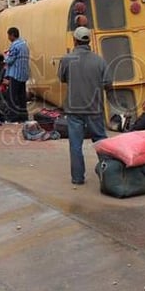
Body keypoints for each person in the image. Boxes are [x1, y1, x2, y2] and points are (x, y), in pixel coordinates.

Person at [57, 26, 111, 185]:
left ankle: (77, 178)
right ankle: (108, 175)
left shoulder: (67, 59)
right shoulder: (99, 60)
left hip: (74, 109)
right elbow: (108, 82)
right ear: (89, 41)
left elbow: (62, 78)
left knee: (75, 145)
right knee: (101, 141)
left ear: (75, 40)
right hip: (94, 107)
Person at [3, 27, 30, 122]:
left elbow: (9, 60)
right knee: (22, 97)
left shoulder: (14, 46)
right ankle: (23, 117)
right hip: (23, 75)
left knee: (12, 97)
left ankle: (13, 117)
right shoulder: (24, 44)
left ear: (12, 35)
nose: (8, 38)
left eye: (9, 35)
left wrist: (5, 55)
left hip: (15, 75)